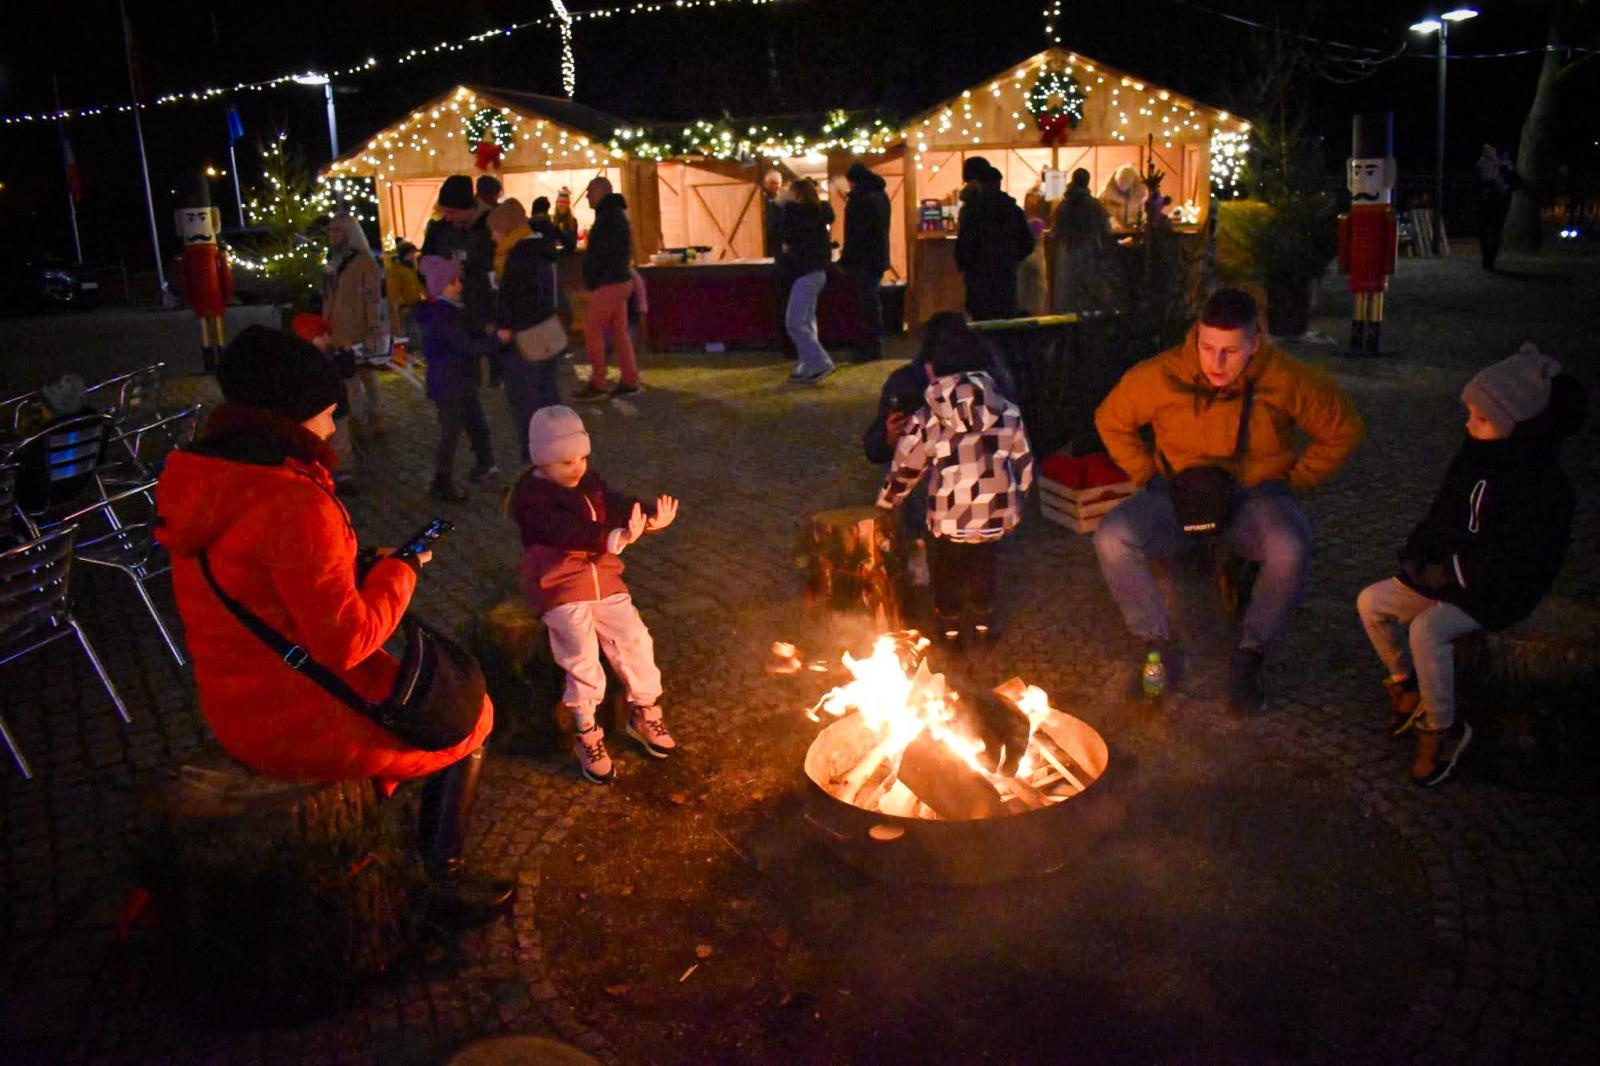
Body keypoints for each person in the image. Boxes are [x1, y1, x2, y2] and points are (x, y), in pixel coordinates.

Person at [153, 325, 507, 917]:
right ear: (291, 415)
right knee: (476, 718)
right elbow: (344, 642)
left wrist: (353, 566)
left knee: (413, 698)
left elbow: (266, 583)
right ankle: (441, 879)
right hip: (295, 716)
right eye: (325, 414)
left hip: (237, 699)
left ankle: (373, 828)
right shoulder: (292, 500)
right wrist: (399, 572)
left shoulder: (205, 479)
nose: (332, 427)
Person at [1092, 288, 1364, 712]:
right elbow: (1110, 419)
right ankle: (1158, 643)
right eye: (1208, 347)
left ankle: (1251, 653)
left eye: (1231, 351)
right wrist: (1147, 474)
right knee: (1112, 537)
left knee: (1290, 547)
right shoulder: (1162, 375)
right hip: (1178, 494)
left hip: (1252, 498)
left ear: (1255, 343)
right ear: (1196, 337)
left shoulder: (1285, 378)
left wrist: (1298, 480)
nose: (1216, 363)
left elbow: (1343, 426)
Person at [1356, 345, 1586, 786]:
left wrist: (1454, 573)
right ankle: (1406, 686)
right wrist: (1419, 557)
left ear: (1513, 424)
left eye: (1480, 418)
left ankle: (1441, 731)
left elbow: (1520, 560)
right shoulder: (1474, 455)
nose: (1467, 424)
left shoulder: (1542, 486)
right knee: (1372, 602)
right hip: (1451, 575)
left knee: (1428, 630)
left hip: (1498, 591)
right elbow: (1444, 513)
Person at [508, 406, 681, 784]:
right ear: (542, 458)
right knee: (580, 652)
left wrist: (647, 517)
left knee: (635, 638)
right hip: (559, 583)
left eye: (582, 457)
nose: (577, 468)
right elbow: (563, 529)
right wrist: (610, 538)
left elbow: (614, 505)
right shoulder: (532, 498)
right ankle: (586, 731)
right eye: (566, 461)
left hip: (603, 577)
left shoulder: (588, 482)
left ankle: (645, 710)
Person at [877, 317, 1034, 648]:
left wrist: (887, 502)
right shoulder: (1006, 410)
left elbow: (907, 465)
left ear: (933, 371)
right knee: (985, 563)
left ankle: (949, 626)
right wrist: (1018, 496)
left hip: (950, 517)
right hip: (996, 512)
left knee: (947, 568)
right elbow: (1023, 461)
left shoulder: (928, 418)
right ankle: (983, 622)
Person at [416, 256, 499, 501]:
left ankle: (485, 463)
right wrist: (495, 341)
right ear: (442, 286)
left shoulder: (447, 311)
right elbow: (464, 345)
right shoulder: (443, 315)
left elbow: (464, 336)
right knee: (451, 432)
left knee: (474, 422)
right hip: (450, 383)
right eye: (454, 282)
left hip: (459, 380)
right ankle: (442, 481)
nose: (459, 286)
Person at [490, 199, 564, 462]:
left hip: (524, 340)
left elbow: (514, 298)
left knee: (528, 407)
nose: (493, 236)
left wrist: (505, 327)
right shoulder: (541, 250)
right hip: (547, 335)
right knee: (548, 400)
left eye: (496, 231)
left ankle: (536, 465)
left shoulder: (519, 255)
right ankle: (557, 456)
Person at [323, 214, 386, 493]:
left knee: (364, 377)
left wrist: (373, 328)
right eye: (331, 229)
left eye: (338, 229)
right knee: (352, 381)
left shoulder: (362, 262)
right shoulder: (334, 261)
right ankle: (361, 421)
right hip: (337, 330)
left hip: (356, 329)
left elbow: (372, 297)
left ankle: (372, 418)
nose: (333, 234)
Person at [578, 176, 641, 401]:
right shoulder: (615, 215)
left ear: (600, 192)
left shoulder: (608, 218)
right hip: (620, 279)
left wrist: (592, 279)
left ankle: (599, 381)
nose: (586, 196)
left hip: (610, 282)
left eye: (589, 191)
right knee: (618, 332)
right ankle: (629, 379)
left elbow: (600, 254)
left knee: (593, 329)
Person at [955, 160, 1034, 321]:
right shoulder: (1013, 210)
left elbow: (965, 244)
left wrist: (966, 264)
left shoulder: (972, 211)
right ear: (999, 183)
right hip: (1005, 275)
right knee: (1005, 322)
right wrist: (1011, 257)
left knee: (982, 323)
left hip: (979, 276)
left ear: (981, 184)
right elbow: (1027, 243)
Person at [779, 177, 837, 386]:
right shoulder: (820, 215)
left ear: (797, 195)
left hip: (804, 272)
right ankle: (807, 364)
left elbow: (787, 241)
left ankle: (820, 362)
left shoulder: (794, 215)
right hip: (817, 272)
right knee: (806, 321)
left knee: (794, 322)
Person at [839, 161, 891, 363]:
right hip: (877, 257)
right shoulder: (880, 195)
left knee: (866, 304)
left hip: (863, 259)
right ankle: (875, 344)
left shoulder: (860, 199)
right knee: (871, 302)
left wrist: (846, 259)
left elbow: (855, 233)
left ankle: (869, 347)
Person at [1051, 167, 1114, 314]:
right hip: (1090, 253)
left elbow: (1056, 231)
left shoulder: (1064, 206)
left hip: (1068, 253)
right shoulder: (1095, 205)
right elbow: (1106, 230)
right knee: (1090, 296)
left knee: (1068, 297)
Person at [1476, 144, 1520, 272]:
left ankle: (1490, 259)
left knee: (1495, 231)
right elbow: (1476, 182)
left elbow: (1516, 181)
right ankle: (1486, 257)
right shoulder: (1481, 166)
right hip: (1486, 203)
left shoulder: (1504, 167)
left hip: (1498, 203)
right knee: (1485, 231)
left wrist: (1506, 187)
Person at [387, 240, 426, 345]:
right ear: (406, 255)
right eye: (412, 254)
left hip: (415, 309)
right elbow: (393, 297)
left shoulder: (410, 270)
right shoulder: (397, 271)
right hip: (406, 311)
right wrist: (396, 326)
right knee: (413, 342)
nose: (415, 256)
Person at [761, 169, 785, 257]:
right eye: (773, 183)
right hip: (766, 235)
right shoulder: (761, 197)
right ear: (765, 183)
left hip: (779, 235)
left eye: (779, 183)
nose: (777, 186)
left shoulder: (782, 198)